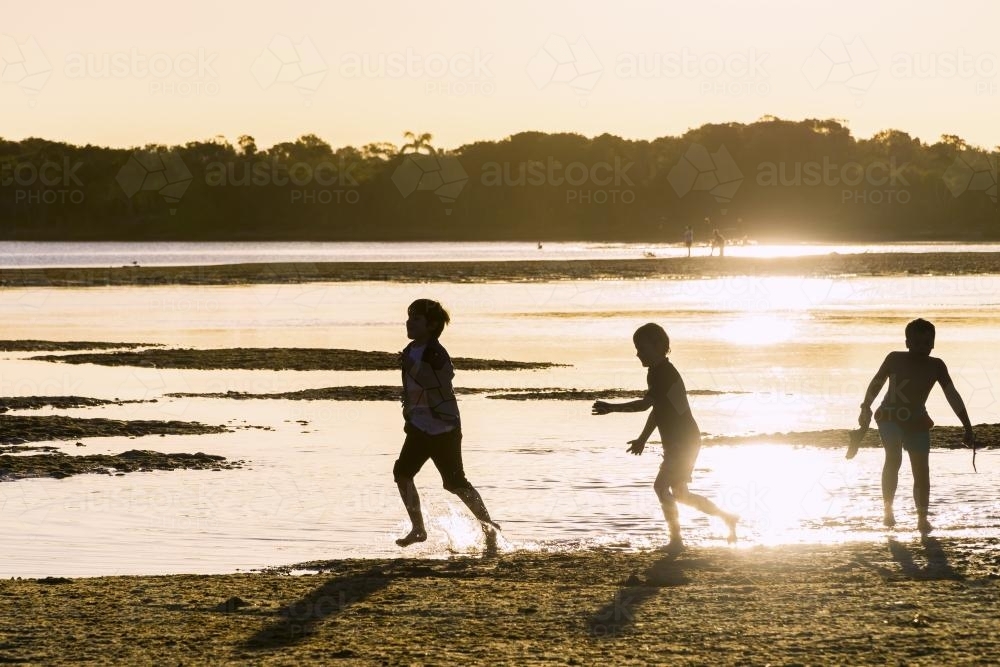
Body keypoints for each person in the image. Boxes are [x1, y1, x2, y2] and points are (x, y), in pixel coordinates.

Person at [592, 323, 737, 553]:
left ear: (659, 347)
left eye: (641, 347)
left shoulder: (664, 374)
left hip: (684, 441)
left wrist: (612, 408)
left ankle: (676, 541)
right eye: (636, 348)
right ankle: (727, 518)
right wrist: (642, 439)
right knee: (680, 493)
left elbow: (643, 406)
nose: (637, 353)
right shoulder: (656, 372)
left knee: (661, 487)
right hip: (680, 440)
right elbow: (657, 411)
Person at [393, 299, 500, 551]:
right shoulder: (409, 351)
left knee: (455, 483)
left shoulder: (437, 353)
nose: (409, 323)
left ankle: (489, 528)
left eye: (416, 320)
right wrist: (408, 405)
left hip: (444, 428)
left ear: (431, 326)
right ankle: (418, 529)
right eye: (409, 318)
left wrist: (412, 369)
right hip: (419, 426)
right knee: (402, 474)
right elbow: (414, 386)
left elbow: (438, 382)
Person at [856, 318, 977, 535]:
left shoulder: (937, 366)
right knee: (894, 458)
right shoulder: (894, 359)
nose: (922, 348)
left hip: (917, 419)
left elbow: (952, 395)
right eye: (917, 343)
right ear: (907, 343)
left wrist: (967, 426)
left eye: (926, 343)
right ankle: (888, 510)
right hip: (890, 416)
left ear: (933, 344)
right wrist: (866, 406)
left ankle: (922, 518)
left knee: (922, 469)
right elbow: (876, 382)